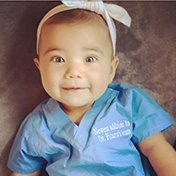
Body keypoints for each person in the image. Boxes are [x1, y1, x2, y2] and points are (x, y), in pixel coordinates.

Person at [8, 1, 176, 176]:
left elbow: (157, 150)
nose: (73, 72)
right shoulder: (37, 126)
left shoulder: (128, 102)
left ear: (111, 69)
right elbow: (23, 173)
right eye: (58, 59)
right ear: (40, 66)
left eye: (89, 59)